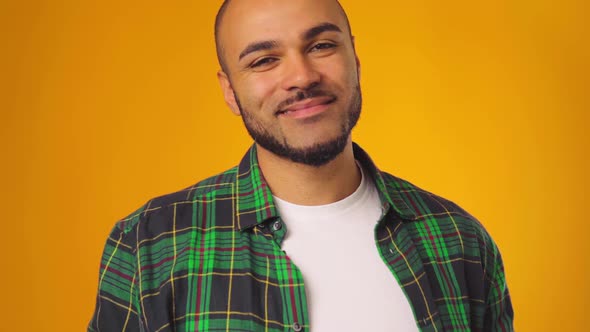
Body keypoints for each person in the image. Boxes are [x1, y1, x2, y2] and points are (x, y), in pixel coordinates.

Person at [88, 0, 514, 331]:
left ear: (355, 60)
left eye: (322, 45)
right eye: (263, 60)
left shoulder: (461, 242)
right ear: (230, 91)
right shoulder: (148, 244)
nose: (301, 76)